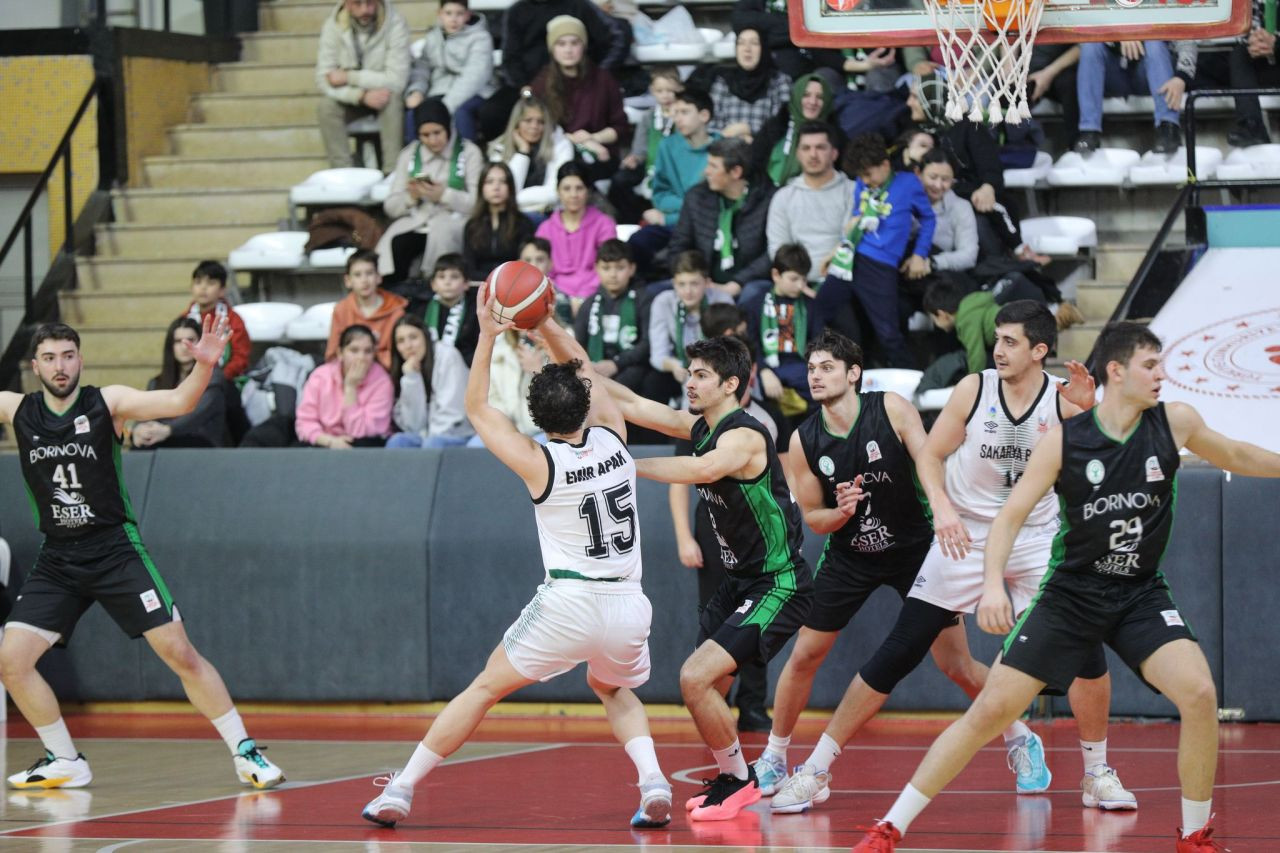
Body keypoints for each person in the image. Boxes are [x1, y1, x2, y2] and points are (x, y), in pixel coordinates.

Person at [851, 321, 1280, 853]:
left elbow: (1237, 455)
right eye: (1151, 365)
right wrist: (991, 587)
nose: (1161, 374)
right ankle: (890, 826)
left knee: (1198, 693)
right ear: (1117, 371)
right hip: (1071, 595)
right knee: (991, 712)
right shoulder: (1065, 442)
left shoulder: (1175, 422)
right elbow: (1009, 517)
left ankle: (1193, 835)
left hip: (1139, 594)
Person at [361, 298, 673, 831]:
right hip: (627, 601)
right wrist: (545, 320)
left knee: (484, 688)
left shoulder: (537, 462)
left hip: (569, 601)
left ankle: (400, 789)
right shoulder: (615, 439)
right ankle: (653, 783)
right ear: (585, 402)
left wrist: (486, 334)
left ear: (536, 417)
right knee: (615, 689)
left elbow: (479, 409)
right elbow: (582, 367)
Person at [817, 303, 1126, 830]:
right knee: (902, 646)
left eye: (1010, 342)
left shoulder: (1062, 399)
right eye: (997, 340)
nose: (998, 350)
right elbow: (931, 456)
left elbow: (1109, 462)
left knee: (1085, 652)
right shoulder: (973, 389)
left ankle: (1097, 771)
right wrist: (941, 508)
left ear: (1039, 351)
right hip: (966, 532)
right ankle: (817, 767)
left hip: (1034, 536)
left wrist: (1090, 413)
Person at [1, 319, 285, 790]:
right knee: (13, 660)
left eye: (67, 355)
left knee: (179, 653)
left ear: (80, 358)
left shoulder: (106, 402)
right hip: (58, 559)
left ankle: (245, 752)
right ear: (35, 366)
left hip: (114, 550)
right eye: (49, 358)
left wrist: (205, 365)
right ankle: (64, 759)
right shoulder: (19, 410)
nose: (59, 366)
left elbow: (179, 402)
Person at [751, 329, 983, 808]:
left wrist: (942, 507)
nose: (816, 375)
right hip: (850, 555)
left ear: (853, 374)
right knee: (804, 656)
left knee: (956, 665)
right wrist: (840, 513)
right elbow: (813, 517)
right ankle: (775, 755)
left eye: (827, 367)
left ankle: (1022, 739)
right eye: (812, 368)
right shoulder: (802, 440)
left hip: (915, 547)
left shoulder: (891, 409)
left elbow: (929, 461)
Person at [598, 334, 812, 821]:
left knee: (694, 679)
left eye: (700, 376)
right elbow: (629, 401)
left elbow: (703, 468)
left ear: (731, 384)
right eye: (689, 373)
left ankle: (741, 781)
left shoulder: (746, 434)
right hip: (738, 583)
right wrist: (554, 339)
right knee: (704, 690)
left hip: (778, 583)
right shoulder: (699, 425)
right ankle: (737, 778)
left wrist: (621, 466)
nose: (689, 382)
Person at [814, 133, 934, 369]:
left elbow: (928, 219)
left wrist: (919, 254)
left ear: (885, 165)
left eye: (868, 174)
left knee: (888, 332)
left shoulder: (908, 183)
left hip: (880, 265)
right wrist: (836, 251)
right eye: (860, 176)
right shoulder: (862, 183)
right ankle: (818, 368)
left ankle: (916, 385)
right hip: (850, 257)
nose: (865, 180)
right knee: (819, 309)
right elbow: (857, 222)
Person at [376, 99, 484, 283]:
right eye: (425, 135)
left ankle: (434, 287)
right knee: (395, 243)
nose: (432, 140)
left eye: (437, 133)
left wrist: (444, 195)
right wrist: (411, 197)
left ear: (448, 128)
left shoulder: (470, 153)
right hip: (416, 219)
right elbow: (391, 206)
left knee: (442, 236)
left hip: (455, 221)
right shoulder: (409, 154)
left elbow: (478, 204)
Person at [627, 87, 720, 280]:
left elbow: (714, 204)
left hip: (707, 224)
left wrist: (668, 218)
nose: (677, 118)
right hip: (676, 223)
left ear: (704, 115)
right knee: (638, 241)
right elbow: (660, 194)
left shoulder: (721, 147)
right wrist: (683, 210)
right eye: (674, 113)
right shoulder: (667, 146)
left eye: (684, 112)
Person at [669, 137, 775, 303]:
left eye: (713, 166)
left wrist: (736, 284)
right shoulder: (696, 197)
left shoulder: (769, 199)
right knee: (656, 292)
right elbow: (679, 245)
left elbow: (772, 252)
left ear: (735, 172)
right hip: (701, 282)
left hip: (748, 284)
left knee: (752, 295)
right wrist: (697, 280)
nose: (706, 171)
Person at [530, 15, 630, 181]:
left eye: (574, 43)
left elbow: (620, 127)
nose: (568, 50)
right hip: (557, 151)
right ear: (552, 49)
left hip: (599, 152)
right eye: (561, 44)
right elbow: (537, 129)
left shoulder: (603, 80)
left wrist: (593, 138)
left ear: (583, 46)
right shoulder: (541, 84)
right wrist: (576, 142)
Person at [315, 0, 411, 171]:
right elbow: (325, 80)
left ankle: (392, 173)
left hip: (385, 97)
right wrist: (360, 96)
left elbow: (396, 80)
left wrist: (349, 77)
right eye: (357, 4)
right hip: (353, 99)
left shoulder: (396, 23)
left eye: (370, 3)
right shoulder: (332, 26)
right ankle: (342, 172)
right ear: (346, 4)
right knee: (326, 107)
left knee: (393, 100)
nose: (365, 10)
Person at [740, 244, 817, 440]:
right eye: (794, 279)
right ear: (776, 275)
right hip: (766, 366)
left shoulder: (810, 306)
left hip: (801, 367)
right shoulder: (755, 304)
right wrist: (764, 370)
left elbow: (818, 343)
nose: (800, 286)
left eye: (803, 279)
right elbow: (750, 344)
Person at [765, 121, 852, 286]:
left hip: (842, 281)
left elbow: (851, 242)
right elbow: (778, 249)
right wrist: (798, 282)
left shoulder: (852, 192)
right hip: (795, 283)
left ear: (834, 153)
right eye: (806, 148)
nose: (813, 155)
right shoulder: (783, 197)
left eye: (820, 147)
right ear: (798, 154)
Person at [1074, 41, 1197, 154]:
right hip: (1114, 73)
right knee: (1090, 46)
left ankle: (1168, 128)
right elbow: (1085, 35)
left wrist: (1181, 77)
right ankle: (1088, 132)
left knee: (1154, 43)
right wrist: (1120, 35)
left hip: (1150, 74)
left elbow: (1187, 40)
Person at [647, 250, 734, 404]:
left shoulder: (722, 301)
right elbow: (657, 355)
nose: (687, 291)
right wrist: (674, 365)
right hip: (680, 366)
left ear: (707, 283)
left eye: (694, 283)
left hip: (716, 367)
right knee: (652, 382)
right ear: (674, 283)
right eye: (681, 284)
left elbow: (732, 349)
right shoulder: (663, 302)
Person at [402, 0, 493, 143]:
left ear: (468, 15)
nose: (454, 19)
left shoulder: (481, 38)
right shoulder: (433, 37)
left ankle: (466, 159)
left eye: (459, 14)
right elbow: (422, 68)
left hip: (474, 93)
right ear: (440, 14)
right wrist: (416, 91)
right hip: (438, 92)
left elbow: (474, 77)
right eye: (448, 13)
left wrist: (444, 107)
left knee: (461, 114)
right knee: (413, 114)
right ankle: (414, 160)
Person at [131, 317, 229, 449]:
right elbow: (142, 413)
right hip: (164, 445)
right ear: (170, 346)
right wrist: (137, 430)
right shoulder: (157, 382)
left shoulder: (213, 378)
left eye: (191, 340)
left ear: (201, 342)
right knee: (142, 444)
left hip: (201, 447)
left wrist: (167, 430)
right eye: (178, 341)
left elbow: (198, 415)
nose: (184, 346)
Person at [573, 239, 654, 395]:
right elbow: (578, 345)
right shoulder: (589, 304)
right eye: (606, 268)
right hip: (594, 367)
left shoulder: (644, 300)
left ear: (632, 269)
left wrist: (616, 364)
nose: (613, 274)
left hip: (630, 365)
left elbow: (648, 343)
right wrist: (590, 368)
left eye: (620, 268)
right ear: (596, 268)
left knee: (633, 378)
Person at [535, 161, 618, 310]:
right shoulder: (545, 229)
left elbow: (609, 265)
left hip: (596, 294)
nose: (573, 195)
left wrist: (583, 297)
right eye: (567, 189)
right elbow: (542, 271)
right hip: (555, 297)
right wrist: (563, 297)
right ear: (558, 191)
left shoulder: (604, 224)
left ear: (588, 191)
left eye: (579, 188)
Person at [299, 324, 394, 449]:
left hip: (364, 445)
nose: (361, 358)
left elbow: (361, 433)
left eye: (368, 351)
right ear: (340, 353)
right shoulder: (320, 376)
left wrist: (350, 388)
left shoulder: (382, 382)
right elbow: (304, 423)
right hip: (325, 441)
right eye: (354, 350)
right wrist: (330, 441)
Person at [689, 26, 791, 142]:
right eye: (741, 43)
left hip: (767, 151)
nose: (747, 49)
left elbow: (781, 124)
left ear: (764, 48)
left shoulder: (779, 81)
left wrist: (748, 130)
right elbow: (713, 127)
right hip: (727, 151)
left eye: (754, 43)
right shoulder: (723, 82)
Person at [609, 65, 683, 224]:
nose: (665, 96)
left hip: (676, 166)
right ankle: (632, 220)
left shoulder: (683, 115)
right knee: (620, 181)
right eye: (660, 91)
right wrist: (635, 158)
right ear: (652, 90)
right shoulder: (648, 117)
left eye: (670, 90)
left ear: (680, 89)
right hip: (650, 165)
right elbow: (640, 148)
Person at [385, 314, 473, 448]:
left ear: (425, 337)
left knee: (432, 444)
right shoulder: (405, 371)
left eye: (413, 337)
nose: (408, 346)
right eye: (401, 341)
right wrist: (411, 378)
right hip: (426, 437)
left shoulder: (447, 356)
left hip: (460, 433)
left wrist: (428, 438)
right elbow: (414, 425)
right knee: (397, 442)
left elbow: (452, 414)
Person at [486, 90, 574, 216]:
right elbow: (509, 189)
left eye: (541, 122)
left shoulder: (560, 146)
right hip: (509, 215)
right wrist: (523, 152)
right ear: (516, 123)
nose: (534, 126)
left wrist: (511, 200)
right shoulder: (499, 149)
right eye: (528, 120)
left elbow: (555, 192)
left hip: (548, 213)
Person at [750, 73, 844, 187]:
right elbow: (755, 164)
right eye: (806, 95)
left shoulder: (836, 137)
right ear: (797, 96)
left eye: (819, 97)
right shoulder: (775, 127)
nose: (812, 102)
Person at [325, 249, 408, 370]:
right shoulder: (341, 310)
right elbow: (332, 355)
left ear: (379, 277)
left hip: (386, 375)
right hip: (349, 373)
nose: (364, 280)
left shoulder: (396, 311)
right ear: (348, 281)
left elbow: (399, 356)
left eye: (369, 273)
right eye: (357, 275)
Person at [462, 162, 537, 283]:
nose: (496, 187)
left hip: (513, 285)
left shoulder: (523, 223)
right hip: (479, 287)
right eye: (489, 182)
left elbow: (525, 264)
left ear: (510, 187)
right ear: (482, 187)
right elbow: (469, 268)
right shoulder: (472, 225)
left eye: (502, 182)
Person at [183, 260, 250, 381]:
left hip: (223, 381)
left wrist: (219, 378)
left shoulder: (233, 320)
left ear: (222, 290)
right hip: (188, 380)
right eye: (198, 282)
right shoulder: (184, 319)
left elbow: (240, 358)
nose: (203, 288)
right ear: (191, 288)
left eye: (211, 283)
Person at [421, 253, 479, 366]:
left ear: (466, 284)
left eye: (454, 277)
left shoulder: (475, 311)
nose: (447, 282)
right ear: (433, 284)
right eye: (441, 277)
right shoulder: (422, 310)